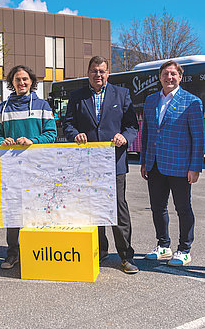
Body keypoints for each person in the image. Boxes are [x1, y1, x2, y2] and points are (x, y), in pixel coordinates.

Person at [63, 56, 139, 274]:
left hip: (113, 162)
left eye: (102, 71)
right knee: (91, 208)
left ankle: (126, 256)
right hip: (86, 163)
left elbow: (132, 125)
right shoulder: (77, 96)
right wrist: (75, 134)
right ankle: (99, 250)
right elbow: (68, 124)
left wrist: (125, 137)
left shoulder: (121, 94)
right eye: (95, 70)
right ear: (88, 72)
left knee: (118, 209)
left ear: (108, 73)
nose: (99, 74)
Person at [0, 65, 57, 269]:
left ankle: (38, 252)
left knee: (38, 211)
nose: (21, 83)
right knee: (13, 211)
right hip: (12, 170)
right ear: (12, 83)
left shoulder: (43, 106)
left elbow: (51, 134)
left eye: (25, 79)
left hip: (38, 168)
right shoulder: (2, 108)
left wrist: (33, 141)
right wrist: (3, 141)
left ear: (32, 81)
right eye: (17, 79)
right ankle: (12, 254)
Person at [140, 60, 204, 266]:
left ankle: (184, 249)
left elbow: (198, 137)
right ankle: (163, 246)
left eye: (173, 74)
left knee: (183, 208)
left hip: (180, 165)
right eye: (165, 74)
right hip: (155, 164)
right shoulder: (150, 100)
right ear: (160, 77)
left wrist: (195, 167)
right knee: (157, 207)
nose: (169, 77)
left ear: (180, 77)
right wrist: (144, 161)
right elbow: (147, 134)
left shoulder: (191, 101)